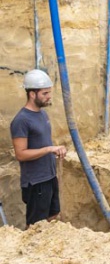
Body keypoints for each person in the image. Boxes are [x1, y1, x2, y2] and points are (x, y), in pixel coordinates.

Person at [10, 69, 67, 227]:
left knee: (53, 215)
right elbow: (21, 154)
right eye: (45, 93)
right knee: (36, 225)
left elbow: (43, 142)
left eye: (49, 92)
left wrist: (55, 150)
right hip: (36, 182)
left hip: (49, 176)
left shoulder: (42, 114)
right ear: (32, 94)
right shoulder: (21, 120)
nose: (49, 96)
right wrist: (49, 149)